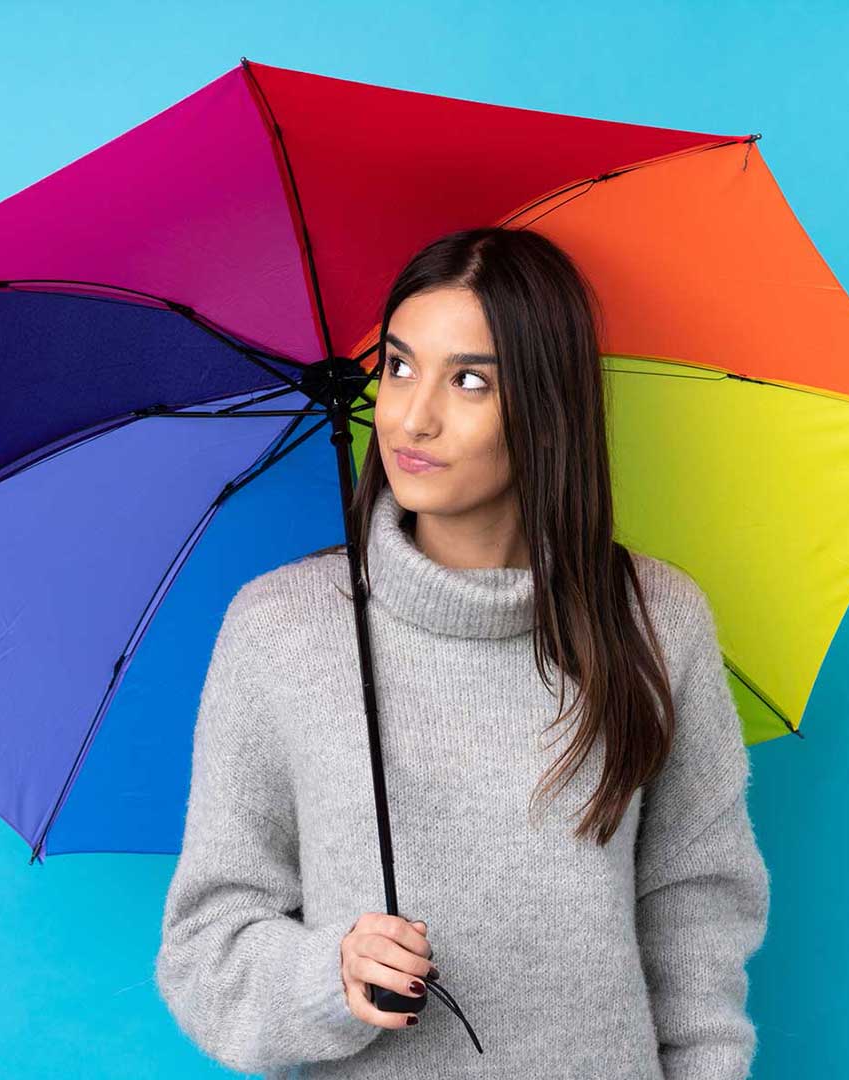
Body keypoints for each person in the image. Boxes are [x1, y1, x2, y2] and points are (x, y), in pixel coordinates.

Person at [154, 226, 770, 1079]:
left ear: (548, 408)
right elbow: (206, 945)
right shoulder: (280, 630)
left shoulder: (657, 619)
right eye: (399, 367)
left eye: (470, 380)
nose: (412, 415)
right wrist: (327, 977)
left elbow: (694, 914)